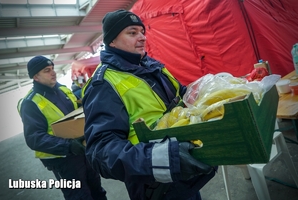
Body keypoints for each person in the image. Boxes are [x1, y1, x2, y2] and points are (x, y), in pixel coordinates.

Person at [82, 9, 217, 200]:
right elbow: (101, 151)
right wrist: (167, 159)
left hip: (185, 170)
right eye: (132, 32)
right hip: (155, 183)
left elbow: (181, 96)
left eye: (142, 31)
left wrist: (211, 93)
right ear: (112, 40)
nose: (142, 37)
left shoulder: (151, 65)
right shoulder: (103, 83)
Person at [17, 55, 107, 200]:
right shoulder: (31, 102)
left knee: (97, 190)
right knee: (78, 196)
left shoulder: (63, 90)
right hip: (62, 160)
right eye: (47, 70)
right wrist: (68, 146)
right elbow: (34, 138)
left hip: (83, 151)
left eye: (52, 68)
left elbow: (76, 111)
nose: (53, 72)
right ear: (36, 77)